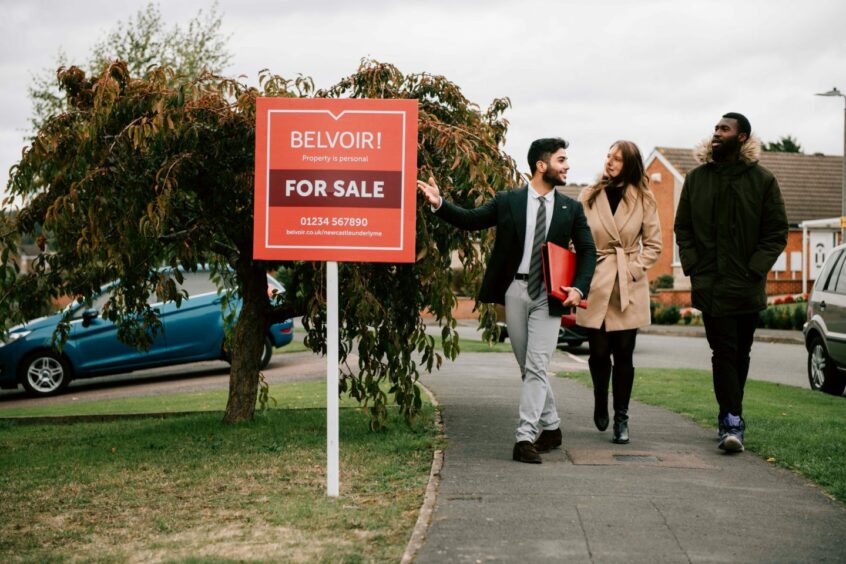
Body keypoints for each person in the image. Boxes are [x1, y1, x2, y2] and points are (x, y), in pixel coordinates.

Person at [417, 138, 596, 464]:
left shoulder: (572, 208)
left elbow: (587, 251)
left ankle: (525, 437)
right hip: (515, 291)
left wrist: (579, 289)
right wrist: (439, 203)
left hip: (549, 296)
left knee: (538, 366)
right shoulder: (509, 200)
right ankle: (552, 427)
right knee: (528, 367)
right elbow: (470, 220)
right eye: (561, 160)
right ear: (541, 165)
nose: (567, 166)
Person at [674, 112, 788, 453]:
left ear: (742, 137)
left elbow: (776, 232)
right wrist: (695, 266)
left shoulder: (763, 181)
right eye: (715, 128)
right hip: (711, 284)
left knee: (741, 352)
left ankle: (730, 412)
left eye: (724, 129)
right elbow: (683, 227)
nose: (716, 133)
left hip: (747, 284)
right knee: (722, 350)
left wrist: (755, 269)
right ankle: (732, 420)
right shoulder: (697, 179)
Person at [576, 140, 662, 444]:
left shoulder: (644, 199)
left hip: (628, 284)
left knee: (624, 354)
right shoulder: (589, 194)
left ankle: (622, 417)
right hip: (596, 280)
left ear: (630, 164)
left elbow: (654, 245)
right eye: (608, 156)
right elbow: (577, 237)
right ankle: (601, 398)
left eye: (617, 159)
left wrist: (631, 269)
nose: (609, 162)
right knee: (599, 352)